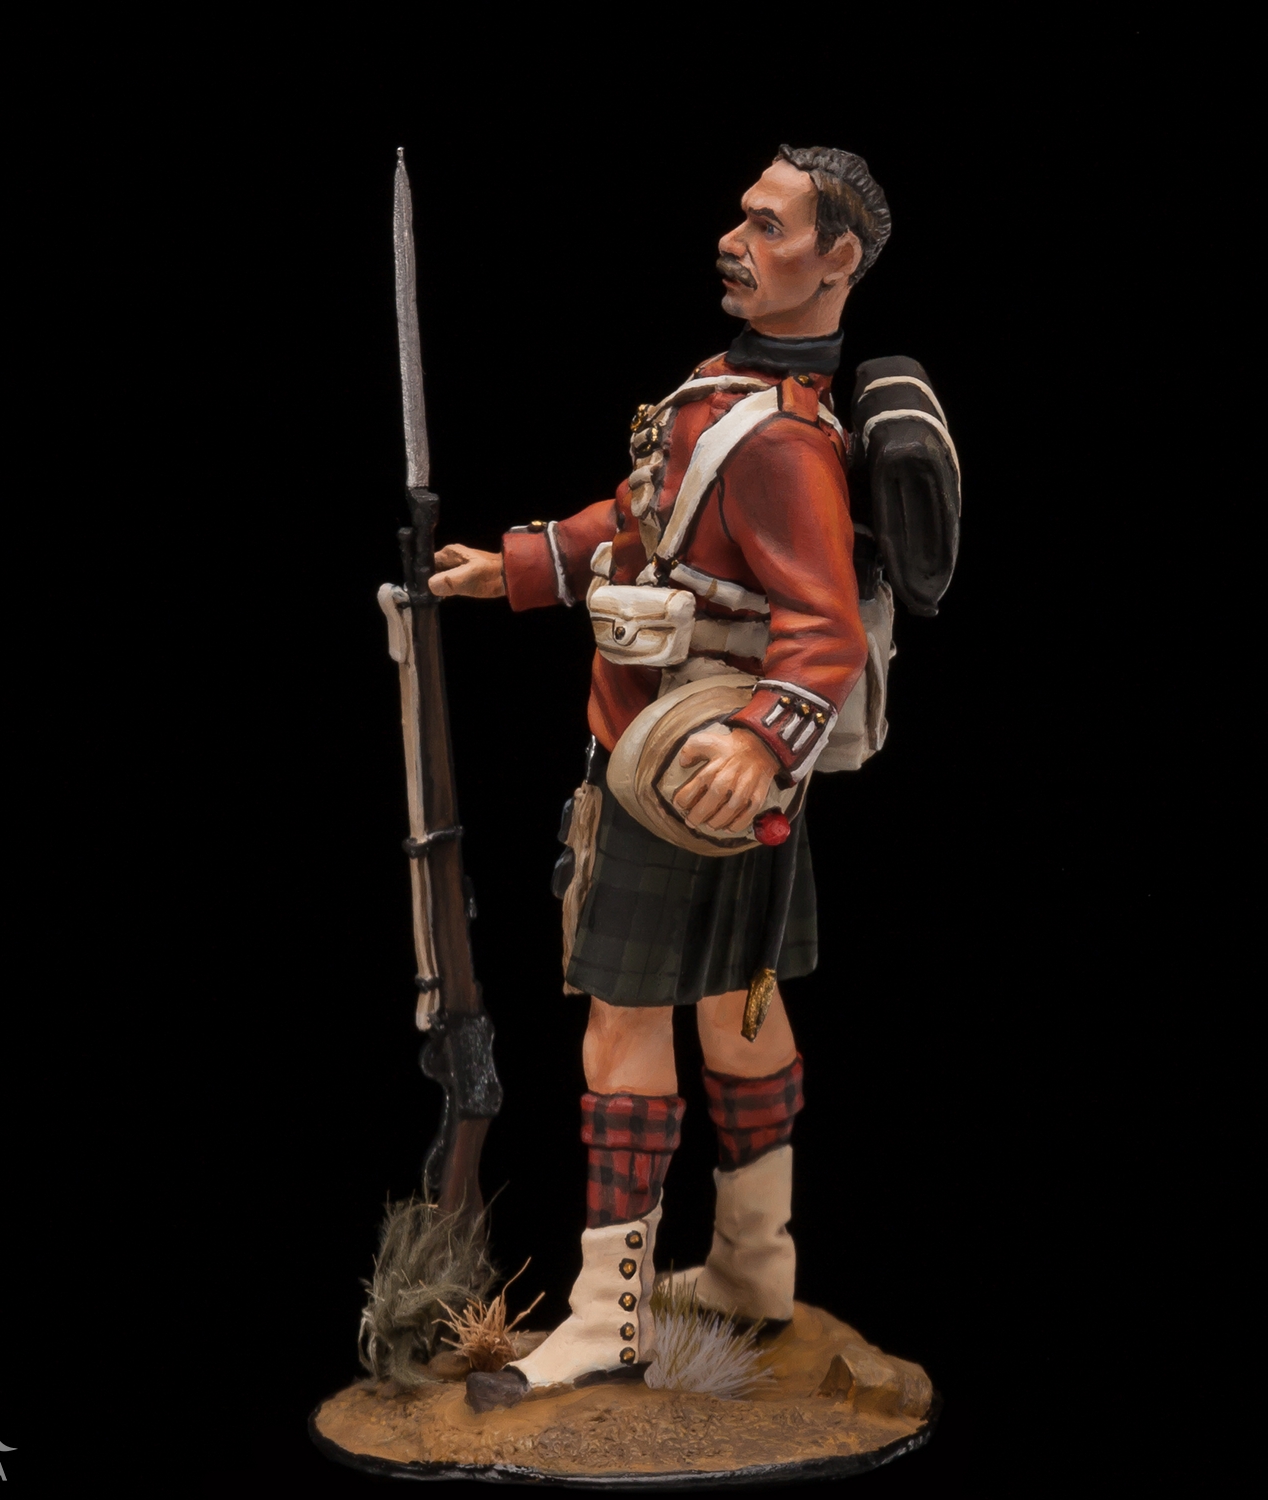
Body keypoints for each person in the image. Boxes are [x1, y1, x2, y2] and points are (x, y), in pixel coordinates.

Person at [430, 146, 894, 1407]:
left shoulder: (782, 441)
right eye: (742, 217)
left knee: (626, 1020)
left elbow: (827, 633)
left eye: (768, 225)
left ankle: (604, 1320)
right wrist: (523, 566)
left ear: (837, 260)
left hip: (689, 776)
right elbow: (646, 525)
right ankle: (753, 1270)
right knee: (739, 1003)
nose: (735, 241)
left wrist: (755, 746)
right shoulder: (724, 392)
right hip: (692, 765)